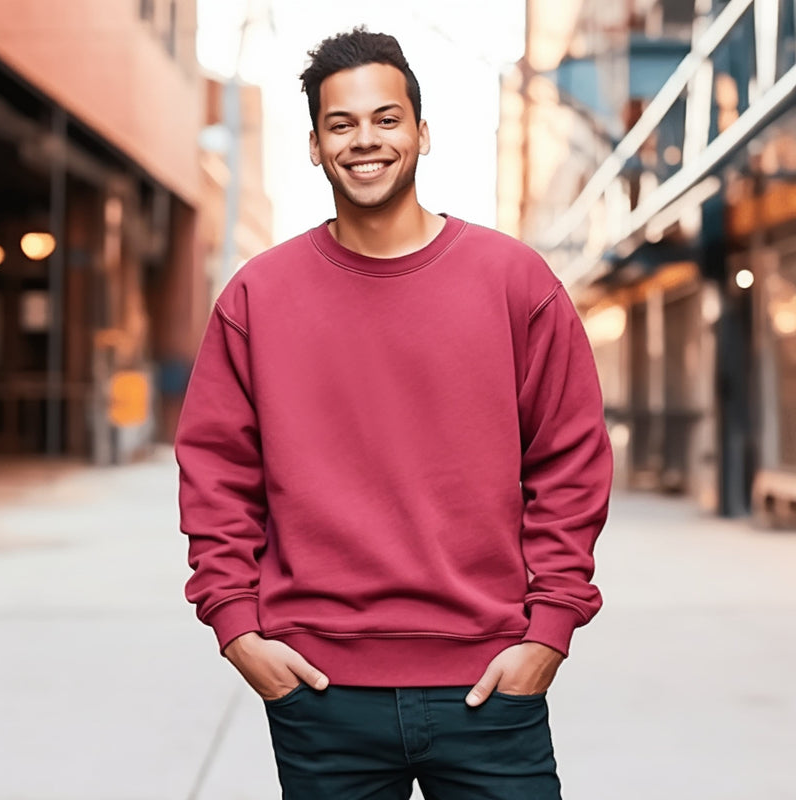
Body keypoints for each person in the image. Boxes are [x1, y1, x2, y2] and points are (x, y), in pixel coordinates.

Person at [175, 26, 613, 800]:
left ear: (422, 132)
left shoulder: (513, 281)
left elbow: (571, 462)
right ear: (314, 144)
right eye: (340, 124)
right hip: (320, 692)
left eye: (386, 118)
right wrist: (237, 628)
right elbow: (216, 475)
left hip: (490, 684)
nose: (364, 140)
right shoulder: (258, 297)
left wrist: (549, 631)